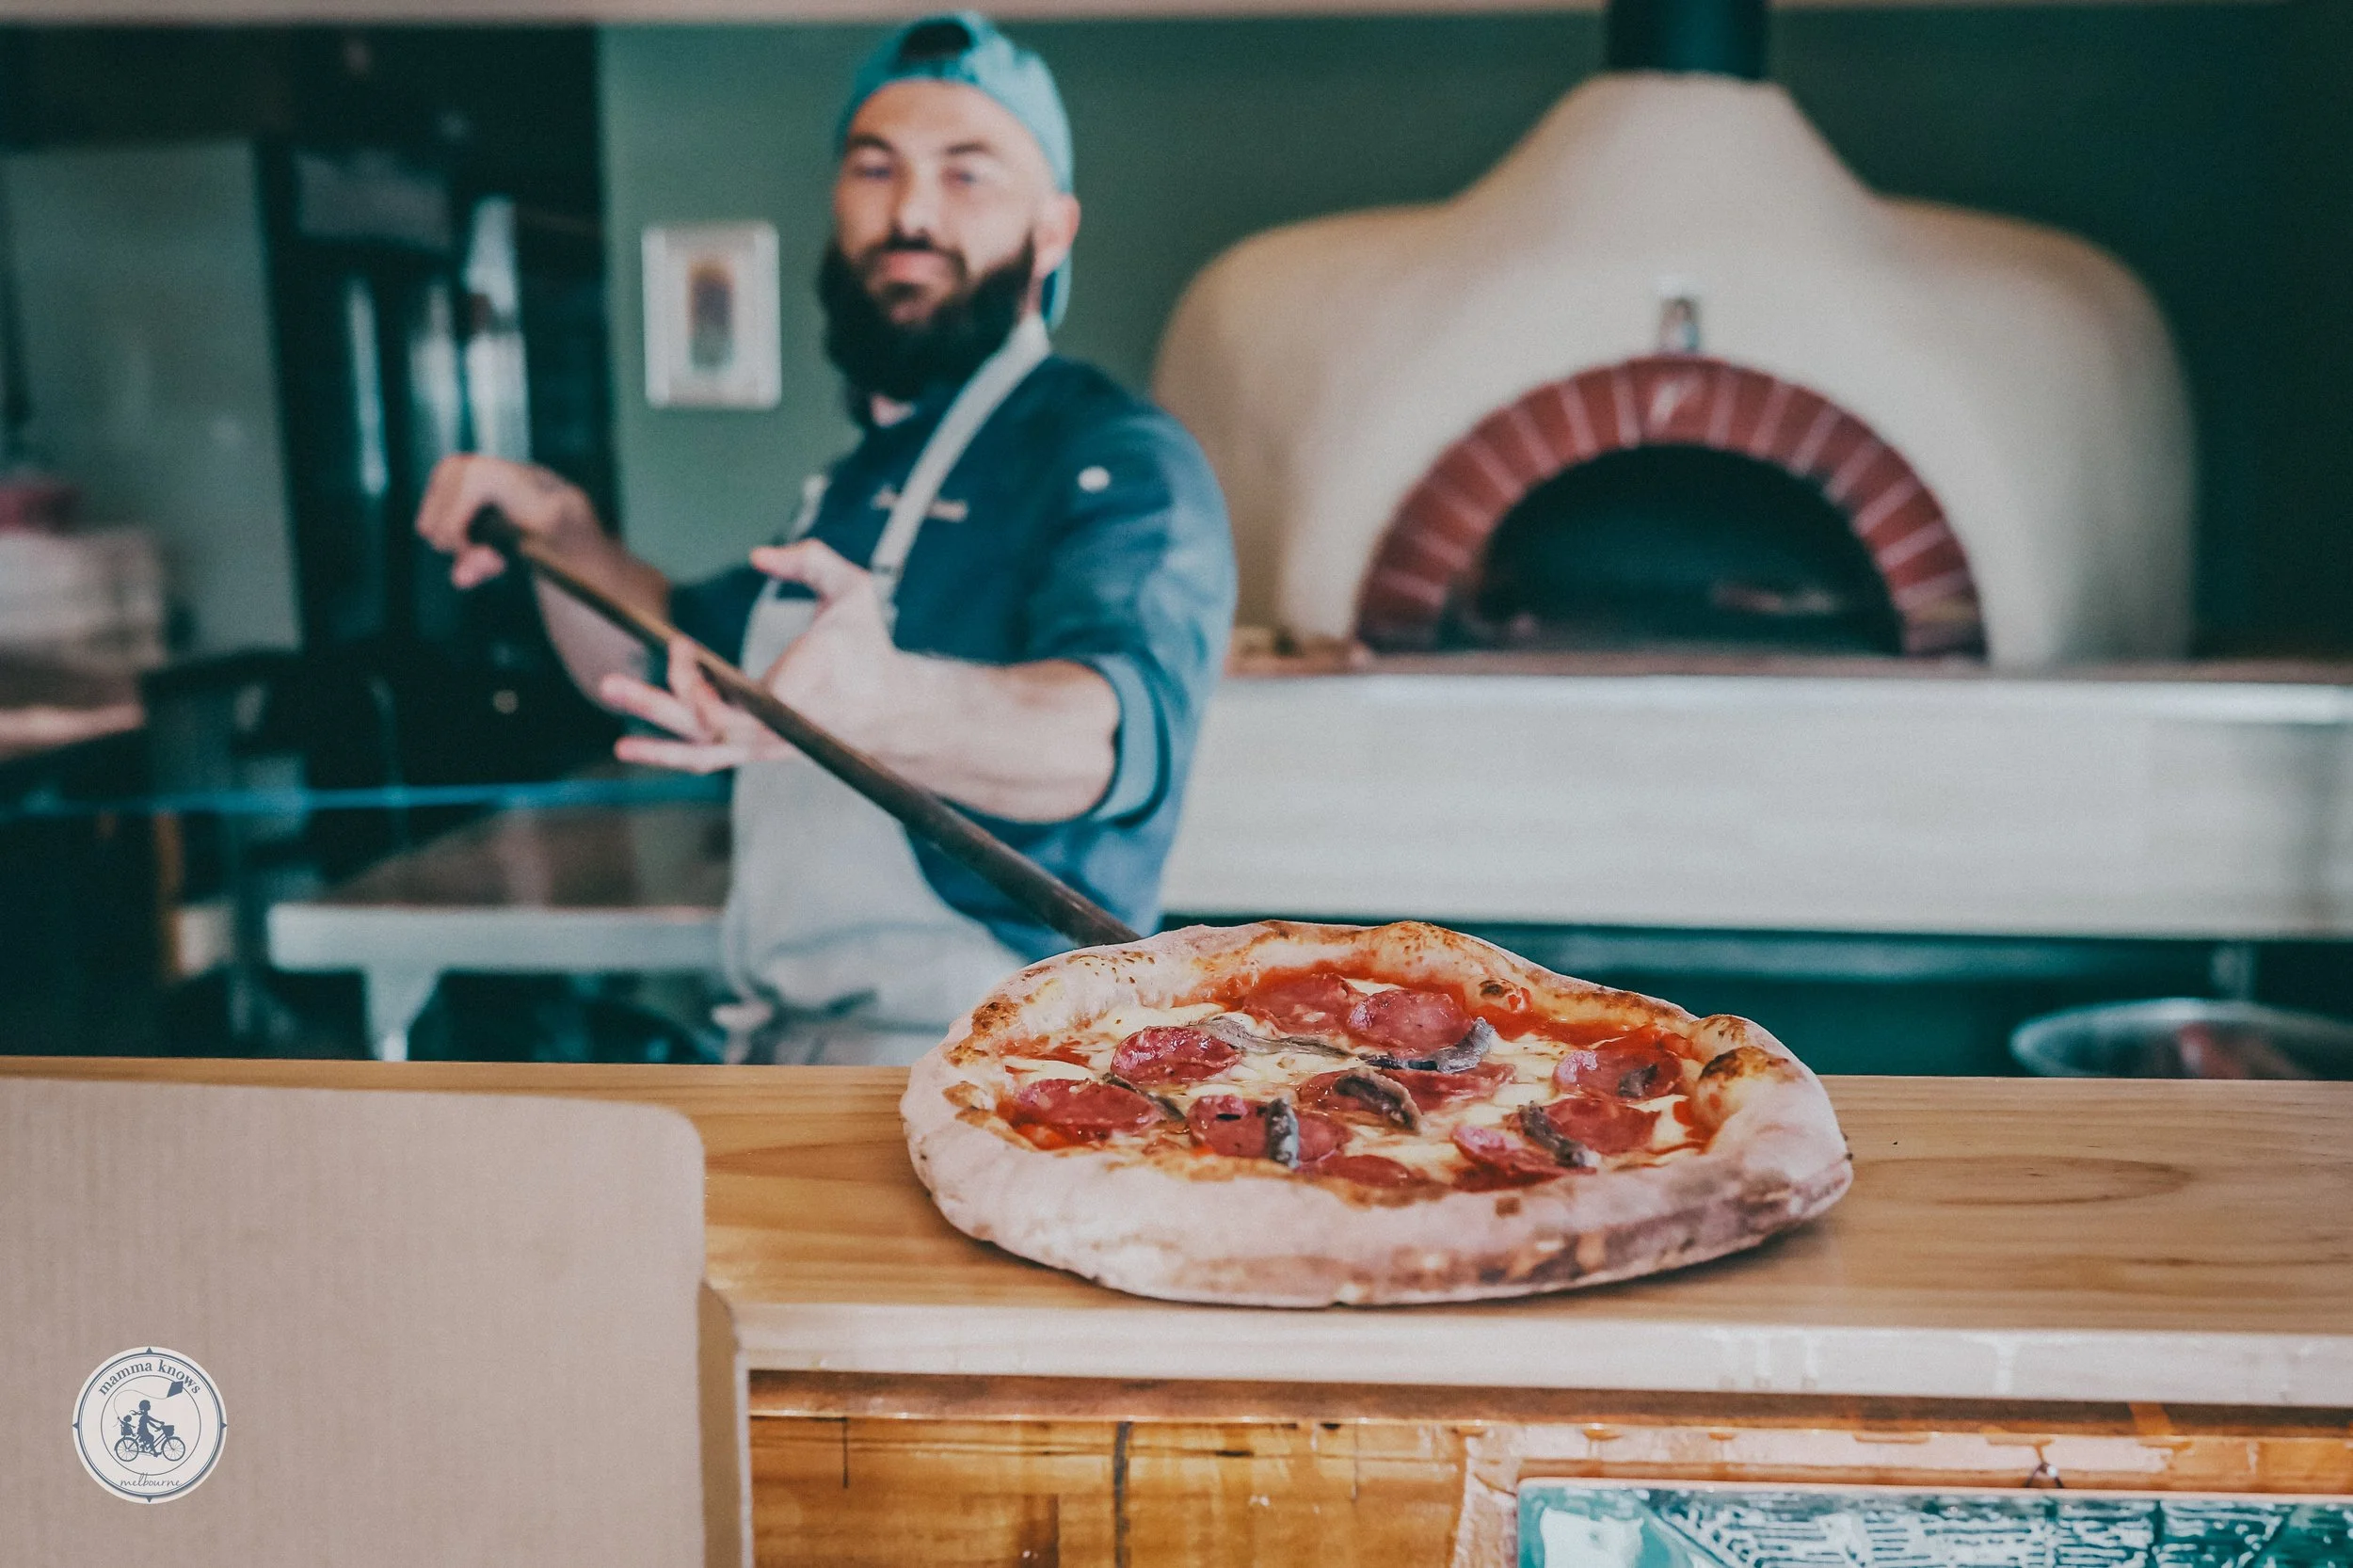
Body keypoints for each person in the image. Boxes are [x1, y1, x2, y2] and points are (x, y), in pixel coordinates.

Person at [416, 12, 1235, 1065]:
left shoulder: (1115, 456)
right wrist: (563, 528)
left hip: (1001, 1062)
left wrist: (879, 705)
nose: (910, 213)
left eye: (966, 174)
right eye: (874, 168)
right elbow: (660, 655)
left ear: (1052, 230)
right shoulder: (854, 481)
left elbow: (1104, 741)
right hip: (792, 1048)